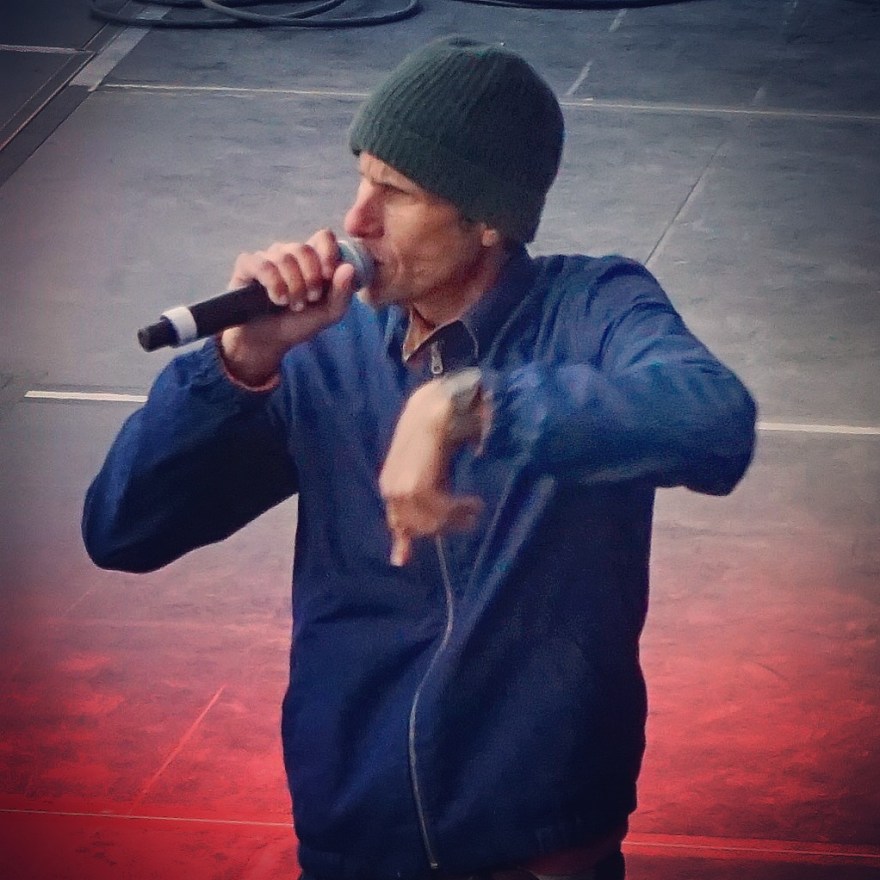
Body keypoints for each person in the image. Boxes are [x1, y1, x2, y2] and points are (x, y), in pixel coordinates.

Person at [83, 36, 756, 880]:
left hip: (538, 841)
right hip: (353, 838)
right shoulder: (319, 349)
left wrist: (472, 405)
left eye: (395, 193)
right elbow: (122, 530)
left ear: (488, 218)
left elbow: (714, 422)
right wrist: (238, 365)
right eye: (361, 179)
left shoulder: (592, 309)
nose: (355, 221)